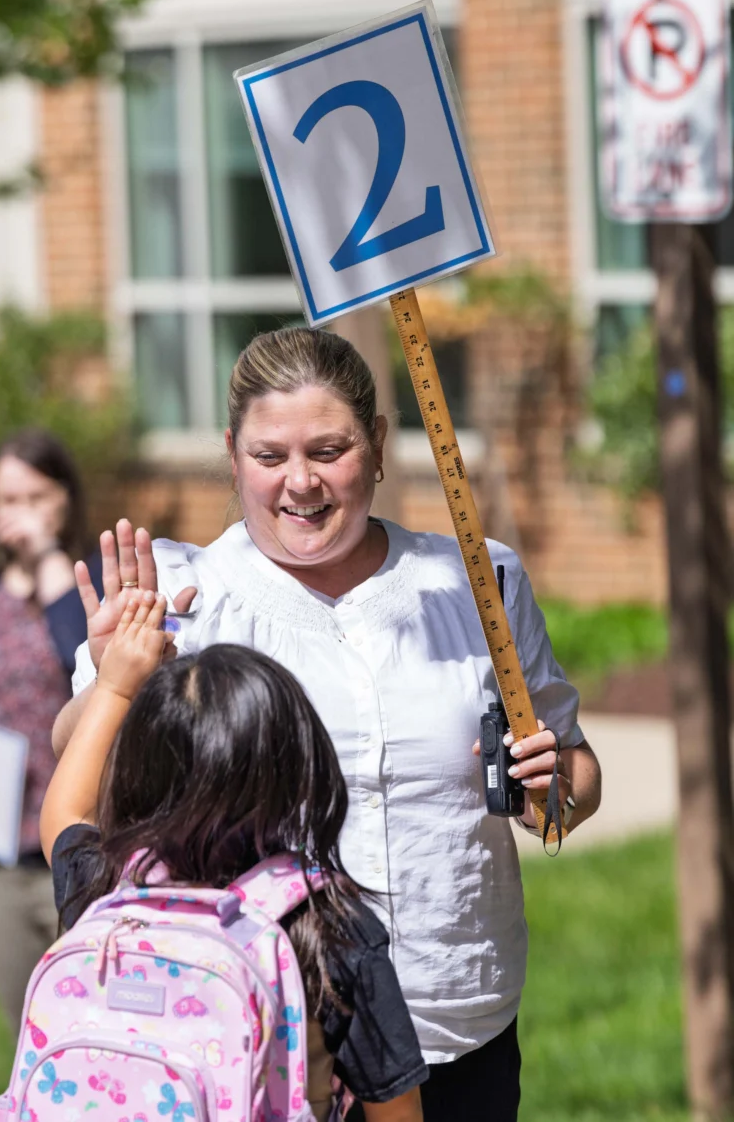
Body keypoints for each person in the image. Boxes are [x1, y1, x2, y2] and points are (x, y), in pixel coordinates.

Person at [54, 327, 602, 1122]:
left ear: (378, 445)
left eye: (329, 449)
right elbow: (79, 788)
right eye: (269, 455)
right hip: (267, 1045)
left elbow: (573, 783)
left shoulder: (480, 582)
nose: (300, 481)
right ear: (231, 453)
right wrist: (113, 680)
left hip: (460, 1024)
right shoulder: (182, 594)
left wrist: (552, 792)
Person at [41, 589, 427, 1122]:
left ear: (136, 768)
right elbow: (397, 1111)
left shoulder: (109, 886)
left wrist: (114, 683)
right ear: (297, 770)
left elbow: (66, 812)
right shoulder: (327, 925)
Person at [0, 428, 102, 1034]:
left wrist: (51, 555)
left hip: (85, 846)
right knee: (29, 1037)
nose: (17, 514)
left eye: (34, 497)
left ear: (66, 498)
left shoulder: (90, 584)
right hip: (1, 853)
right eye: (7, 500)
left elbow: (79, 658)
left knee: (90, 1030)